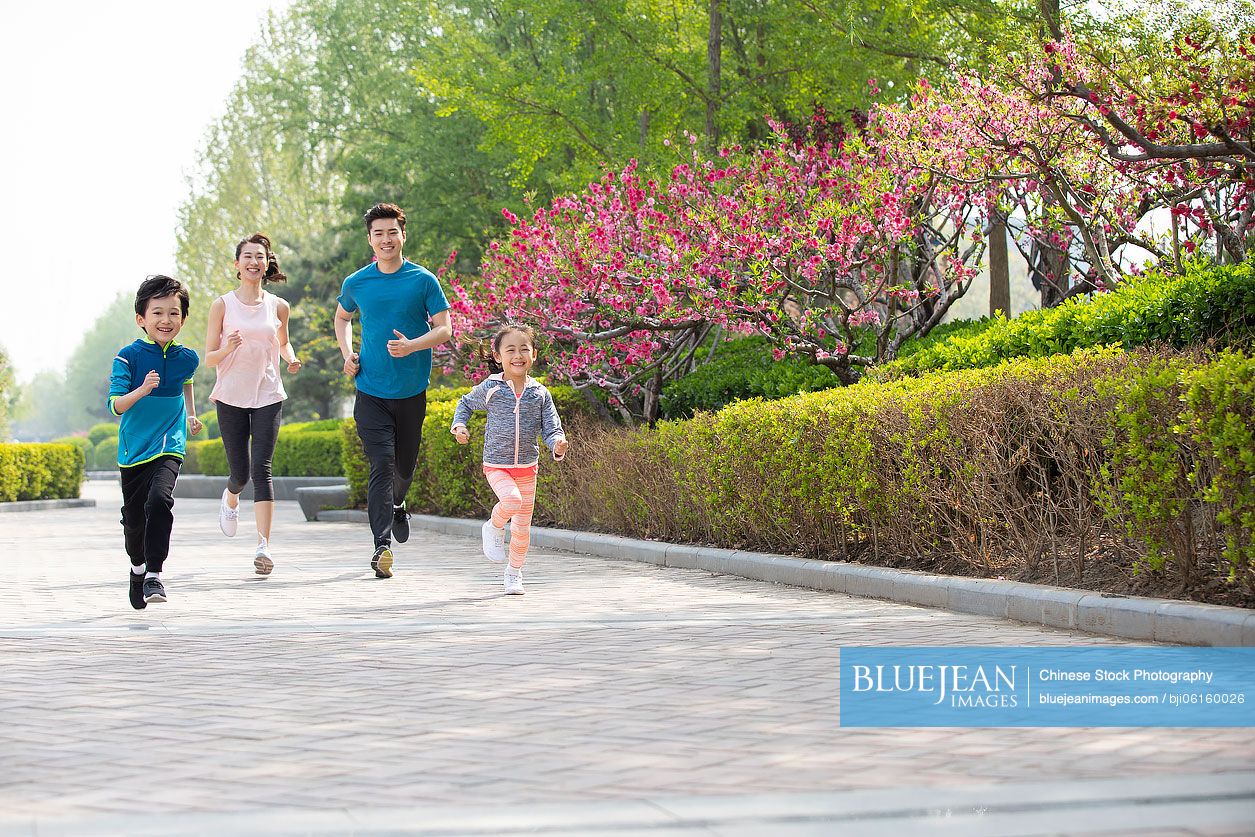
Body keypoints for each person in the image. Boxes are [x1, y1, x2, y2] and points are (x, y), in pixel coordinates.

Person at [335, 202, 452, 578]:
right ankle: (380, 547)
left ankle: (399, 505)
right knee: (381, 465)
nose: (386, 239)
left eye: (392, 232)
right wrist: (347, 353)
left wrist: (412, 345)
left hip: (411, 390)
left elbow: (445, 328)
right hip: (370, 389)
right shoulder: (356, 282)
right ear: (370, 239)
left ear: (403, 235)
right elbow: (342, 317)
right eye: (378, 233)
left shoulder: (423, 280)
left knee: (403, 468)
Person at [204, 233, 301, 575]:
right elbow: (209, 359)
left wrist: (290, 358)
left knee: (262, 468)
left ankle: (263, 546)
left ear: (266, 262)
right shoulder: (222, 305)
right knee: (241, 473)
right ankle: (230, 498)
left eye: (260, 257)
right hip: (231, 394)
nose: (254, 262)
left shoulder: (278, 306)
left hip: (268, 393)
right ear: (237, 264)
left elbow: (284, 343)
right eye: (247, 256)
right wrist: (228, 347)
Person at [451, 324, 569, 595]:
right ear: (498, 356)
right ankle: (493, 526)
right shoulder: (491, 388)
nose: (518, 355)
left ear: (534, 355)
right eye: (510, 350)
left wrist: (557, 446)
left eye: (524, 349)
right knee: (511, 501)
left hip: (527, 466)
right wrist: (460, 426)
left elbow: (551, 428)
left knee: (522, 528)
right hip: (496, 464)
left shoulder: (539, 393)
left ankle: (514, 573)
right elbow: (465, 403)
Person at [108, 275, 202, 609]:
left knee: (159, 501)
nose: (166, 320)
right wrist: (143, 389)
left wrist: (191, 413)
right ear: (141, 319)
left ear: (183, 318)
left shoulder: (187, 357)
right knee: (135, 521)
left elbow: (186, 380)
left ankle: (154, 574)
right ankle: (138, 569)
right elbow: (115, 405)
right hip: (133, 449)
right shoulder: (127, 357)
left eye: (173, 313)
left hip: (169, 443)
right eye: (158, 313)